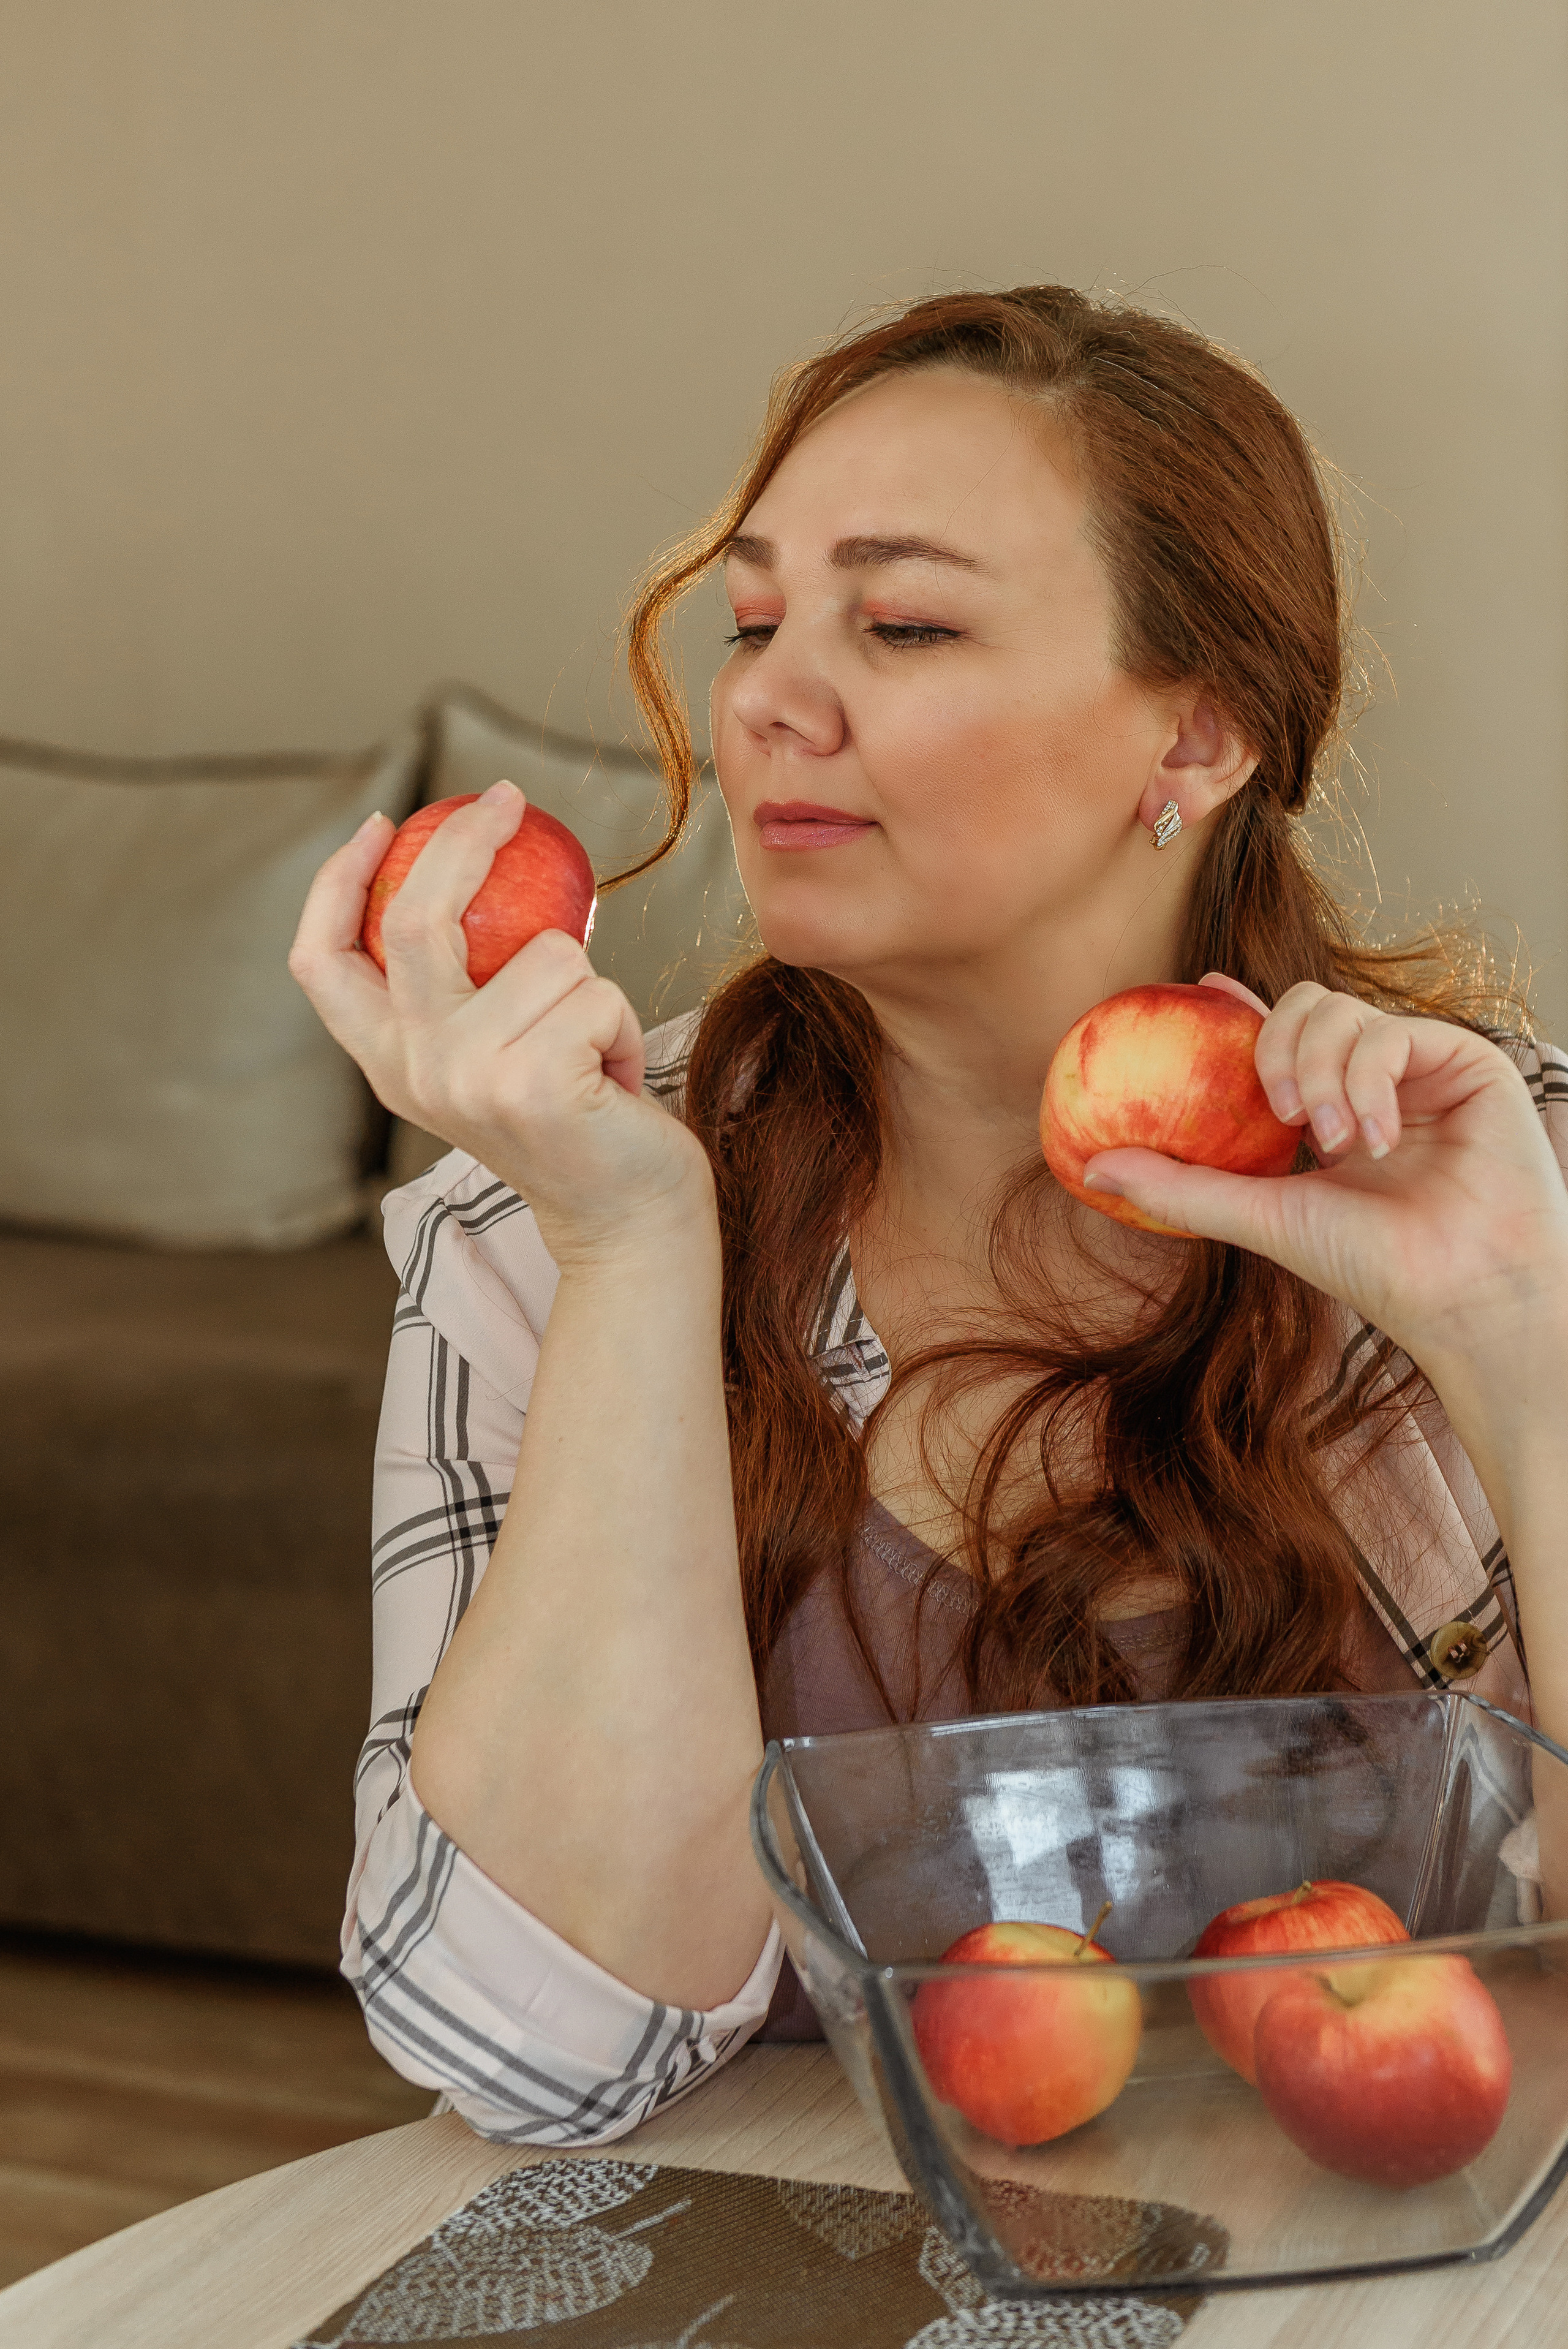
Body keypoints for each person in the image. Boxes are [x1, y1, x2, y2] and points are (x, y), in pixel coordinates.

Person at [289, 286, 1568, 2145]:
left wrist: (1523, 1359)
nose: (768, 701)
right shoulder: (539, 1219)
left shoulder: (1505, 1167)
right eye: (753, 620)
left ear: (1198, 736)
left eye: (899, 621)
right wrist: (636, 1255)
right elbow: (540, 2059)